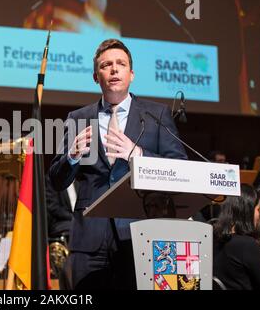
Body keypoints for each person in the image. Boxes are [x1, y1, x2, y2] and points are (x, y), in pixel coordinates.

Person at [49, 38, 187, 290]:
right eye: (106, 65)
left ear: (131, 74)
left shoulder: (156, 114)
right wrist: (72, 155)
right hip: (88, 241)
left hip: (140, 236)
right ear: (95, 76)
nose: (114, 69)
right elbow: (57, 180)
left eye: (120, 64)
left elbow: (179, 166)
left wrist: (138, 155)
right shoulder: (78, 118)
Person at [213, 184, 260, 290]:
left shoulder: (213, 238)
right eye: (257, 209)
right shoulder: (246, 244)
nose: (258, 215)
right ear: (247, 210)